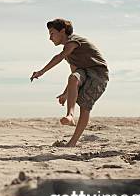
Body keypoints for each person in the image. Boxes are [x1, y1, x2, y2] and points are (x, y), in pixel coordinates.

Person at [30, 18, 109, 147]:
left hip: (98, 74)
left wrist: (41, 71)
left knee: (85, 107)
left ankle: (73, 142)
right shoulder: (70, 55)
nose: (50, 38)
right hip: (84, 71)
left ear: (62, 31)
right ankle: (70, 116)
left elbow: (59, 57)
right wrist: (65, 94)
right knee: (73, 77)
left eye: (52, 34)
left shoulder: (73, 42)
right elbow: (74, 75)